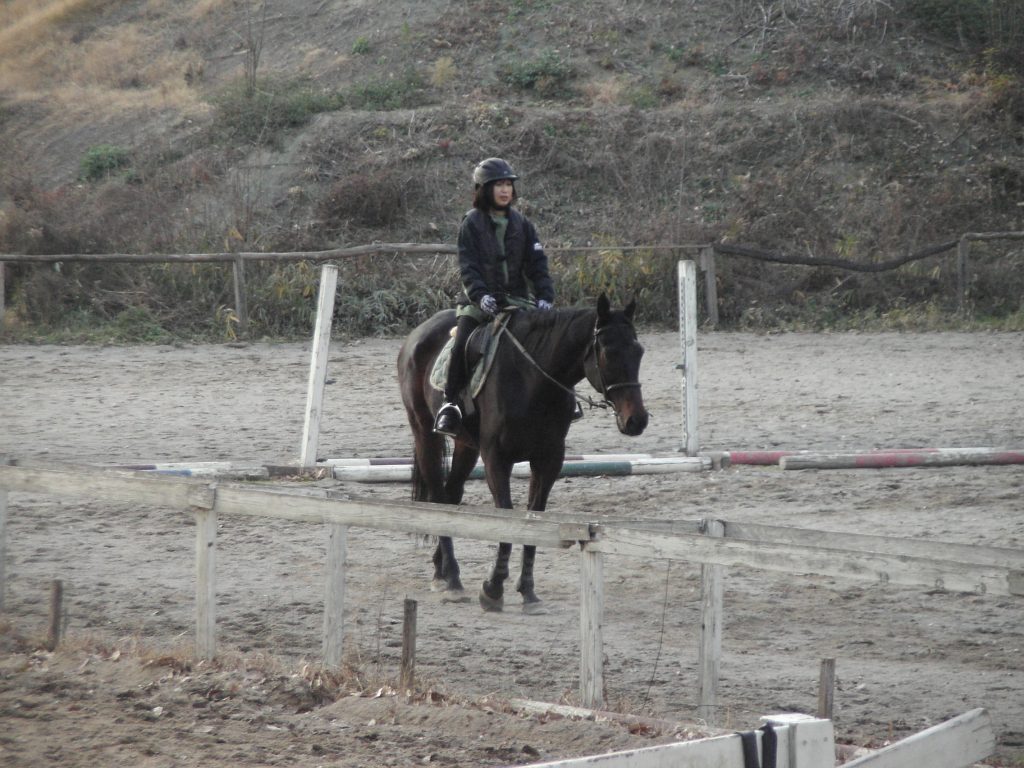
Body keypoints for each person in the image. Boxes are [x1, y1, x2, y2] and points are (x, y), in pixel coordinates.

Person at [434, 157, 555, 437]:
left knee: (550, 340)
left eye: (508, 185)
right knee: (462, 344)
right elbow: (468, 266)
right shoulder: (472, 223)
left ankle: (561, 400)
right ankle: (451, 404)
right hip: (479, 303)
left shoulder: (523, 224)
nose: (504, 190)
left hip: (518, 301)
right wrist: (480, 295)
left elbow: (538, 265)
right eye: (498, 185)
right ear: (484, 189)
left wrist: (545, 296)